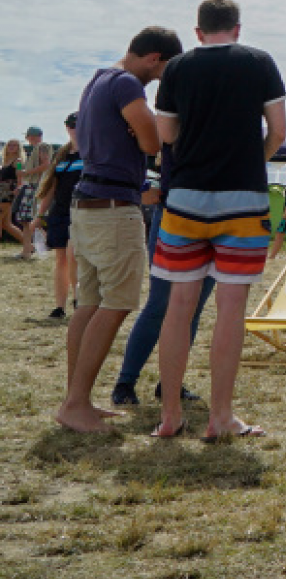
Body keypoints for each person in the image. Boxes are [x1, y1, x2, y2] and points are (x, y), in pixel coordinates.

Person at [152, 0, 286, 442]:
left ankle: (170, 415)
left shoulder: (177, 69)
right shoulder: (259, 62)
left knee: (178, 307)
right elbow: (279, 130)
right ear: (237, 27)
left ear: (197, 32)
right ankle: (221, 416)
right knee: (230, 311)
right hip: (242, 201)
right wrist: (253, 158)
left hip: (186, 199)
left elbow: (166, 134)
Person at [54, 26, 182, 434]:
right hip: (113, 210)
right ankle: (75, 404)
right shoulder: (128, 84)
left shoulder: (98, 79)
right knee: (118, 302)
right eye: (161, 72)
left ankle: (77, 401)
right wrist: (145, 132)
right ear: (152, 57)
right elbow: (152, 143)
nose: (159, 79)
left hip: (87, 207)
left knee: (89, 302)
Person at [113, 146, 213, 409]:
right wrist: (143, 186)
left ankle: (170, 383)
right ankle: (125, 383)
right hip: (173, 213)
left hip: (215, 218)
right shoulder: (178, 111)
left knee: (193, 309)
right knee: (159, 304)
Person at [34, 115, 84, 319]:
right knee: (61, 260)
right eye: (71, 125)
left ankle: (79, 299)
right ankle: (60, 307)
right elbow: (50, 189)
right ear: (66, 128)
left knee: (73, 257)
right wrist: (39, 215)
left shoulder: (92, 152)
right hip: (59, 213)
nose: (74, 128)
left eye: (78, 124)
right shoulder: (61, 156)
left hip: (81, 212)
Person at [0, 140, 25, 255]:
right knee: (7, 224)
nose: (11, 147)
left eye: (14, 145)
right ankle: (29, 245)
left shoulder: (18, 161)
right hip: (1, 192)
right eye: (9, 145)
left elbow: (20, 175)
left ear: (18, 148)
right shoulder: (4, 161)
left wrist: (19, 187)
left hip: (7, 193)